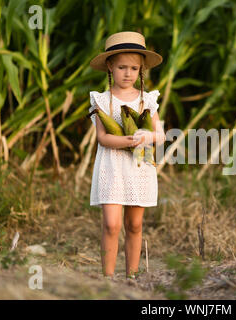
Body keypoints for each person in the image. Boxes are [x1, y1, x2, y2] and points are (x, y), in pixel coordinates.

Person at [87, 31, 165, 280]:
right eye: (122, 67)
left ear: (141, 69)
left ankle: (132, 276)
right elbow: (103, 138)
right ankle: (108, 278)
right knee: (112, 224)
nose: (128, 73)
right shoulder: (102, 101)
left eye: (133, 68)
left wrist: (145, 137)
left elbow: (160, 135)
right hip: (111, 167)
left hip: (139, 167)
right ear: (110, 66)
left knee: (135, 224)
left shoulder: (147, 100)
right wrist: (127, 140)